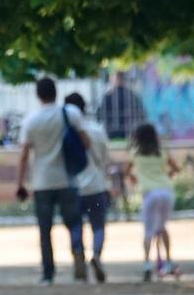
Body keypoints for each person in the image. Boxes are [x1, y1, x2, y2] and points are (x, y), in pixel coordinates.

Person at [16, 78, 91, 284]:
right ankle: (78, 252)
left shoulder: (31, 121)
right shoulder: (70, 114)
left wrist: (20, 183)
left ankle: (48, 273)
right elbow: (86, 142)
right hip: (68, 179)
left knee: (45, 229)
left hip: (42, 181)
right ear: (56, 92)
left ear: (38, 95)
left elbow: (23, 155)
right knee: (74, 223)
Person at [64, 93, 112, 283]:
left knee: (75, 225)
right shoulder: (97, 130)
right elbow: (105, 160)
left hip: (73, 188)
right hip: (96, 187)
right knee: (98, 226)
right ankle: (97, 255)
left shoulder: (65, 133)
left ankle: (78, 254)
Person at [124, 123, 180, 281]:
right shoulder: (162, 152)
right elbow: (176, 169)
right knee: (162, 228)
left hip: (149, 193)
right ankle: (168, 261)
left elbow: (126, 172)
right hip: (167, 191)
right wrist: (165, 178)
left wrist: (134, 178)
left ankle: (147, 264)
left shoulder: (135, 154)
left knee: (148, 231)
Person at [98, 71, 147, 140]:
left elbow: (100, 114)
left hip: (111, 132)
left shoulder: (108, 96)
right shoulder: (132, 96)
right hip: (130, 131)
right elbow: (141, 113)